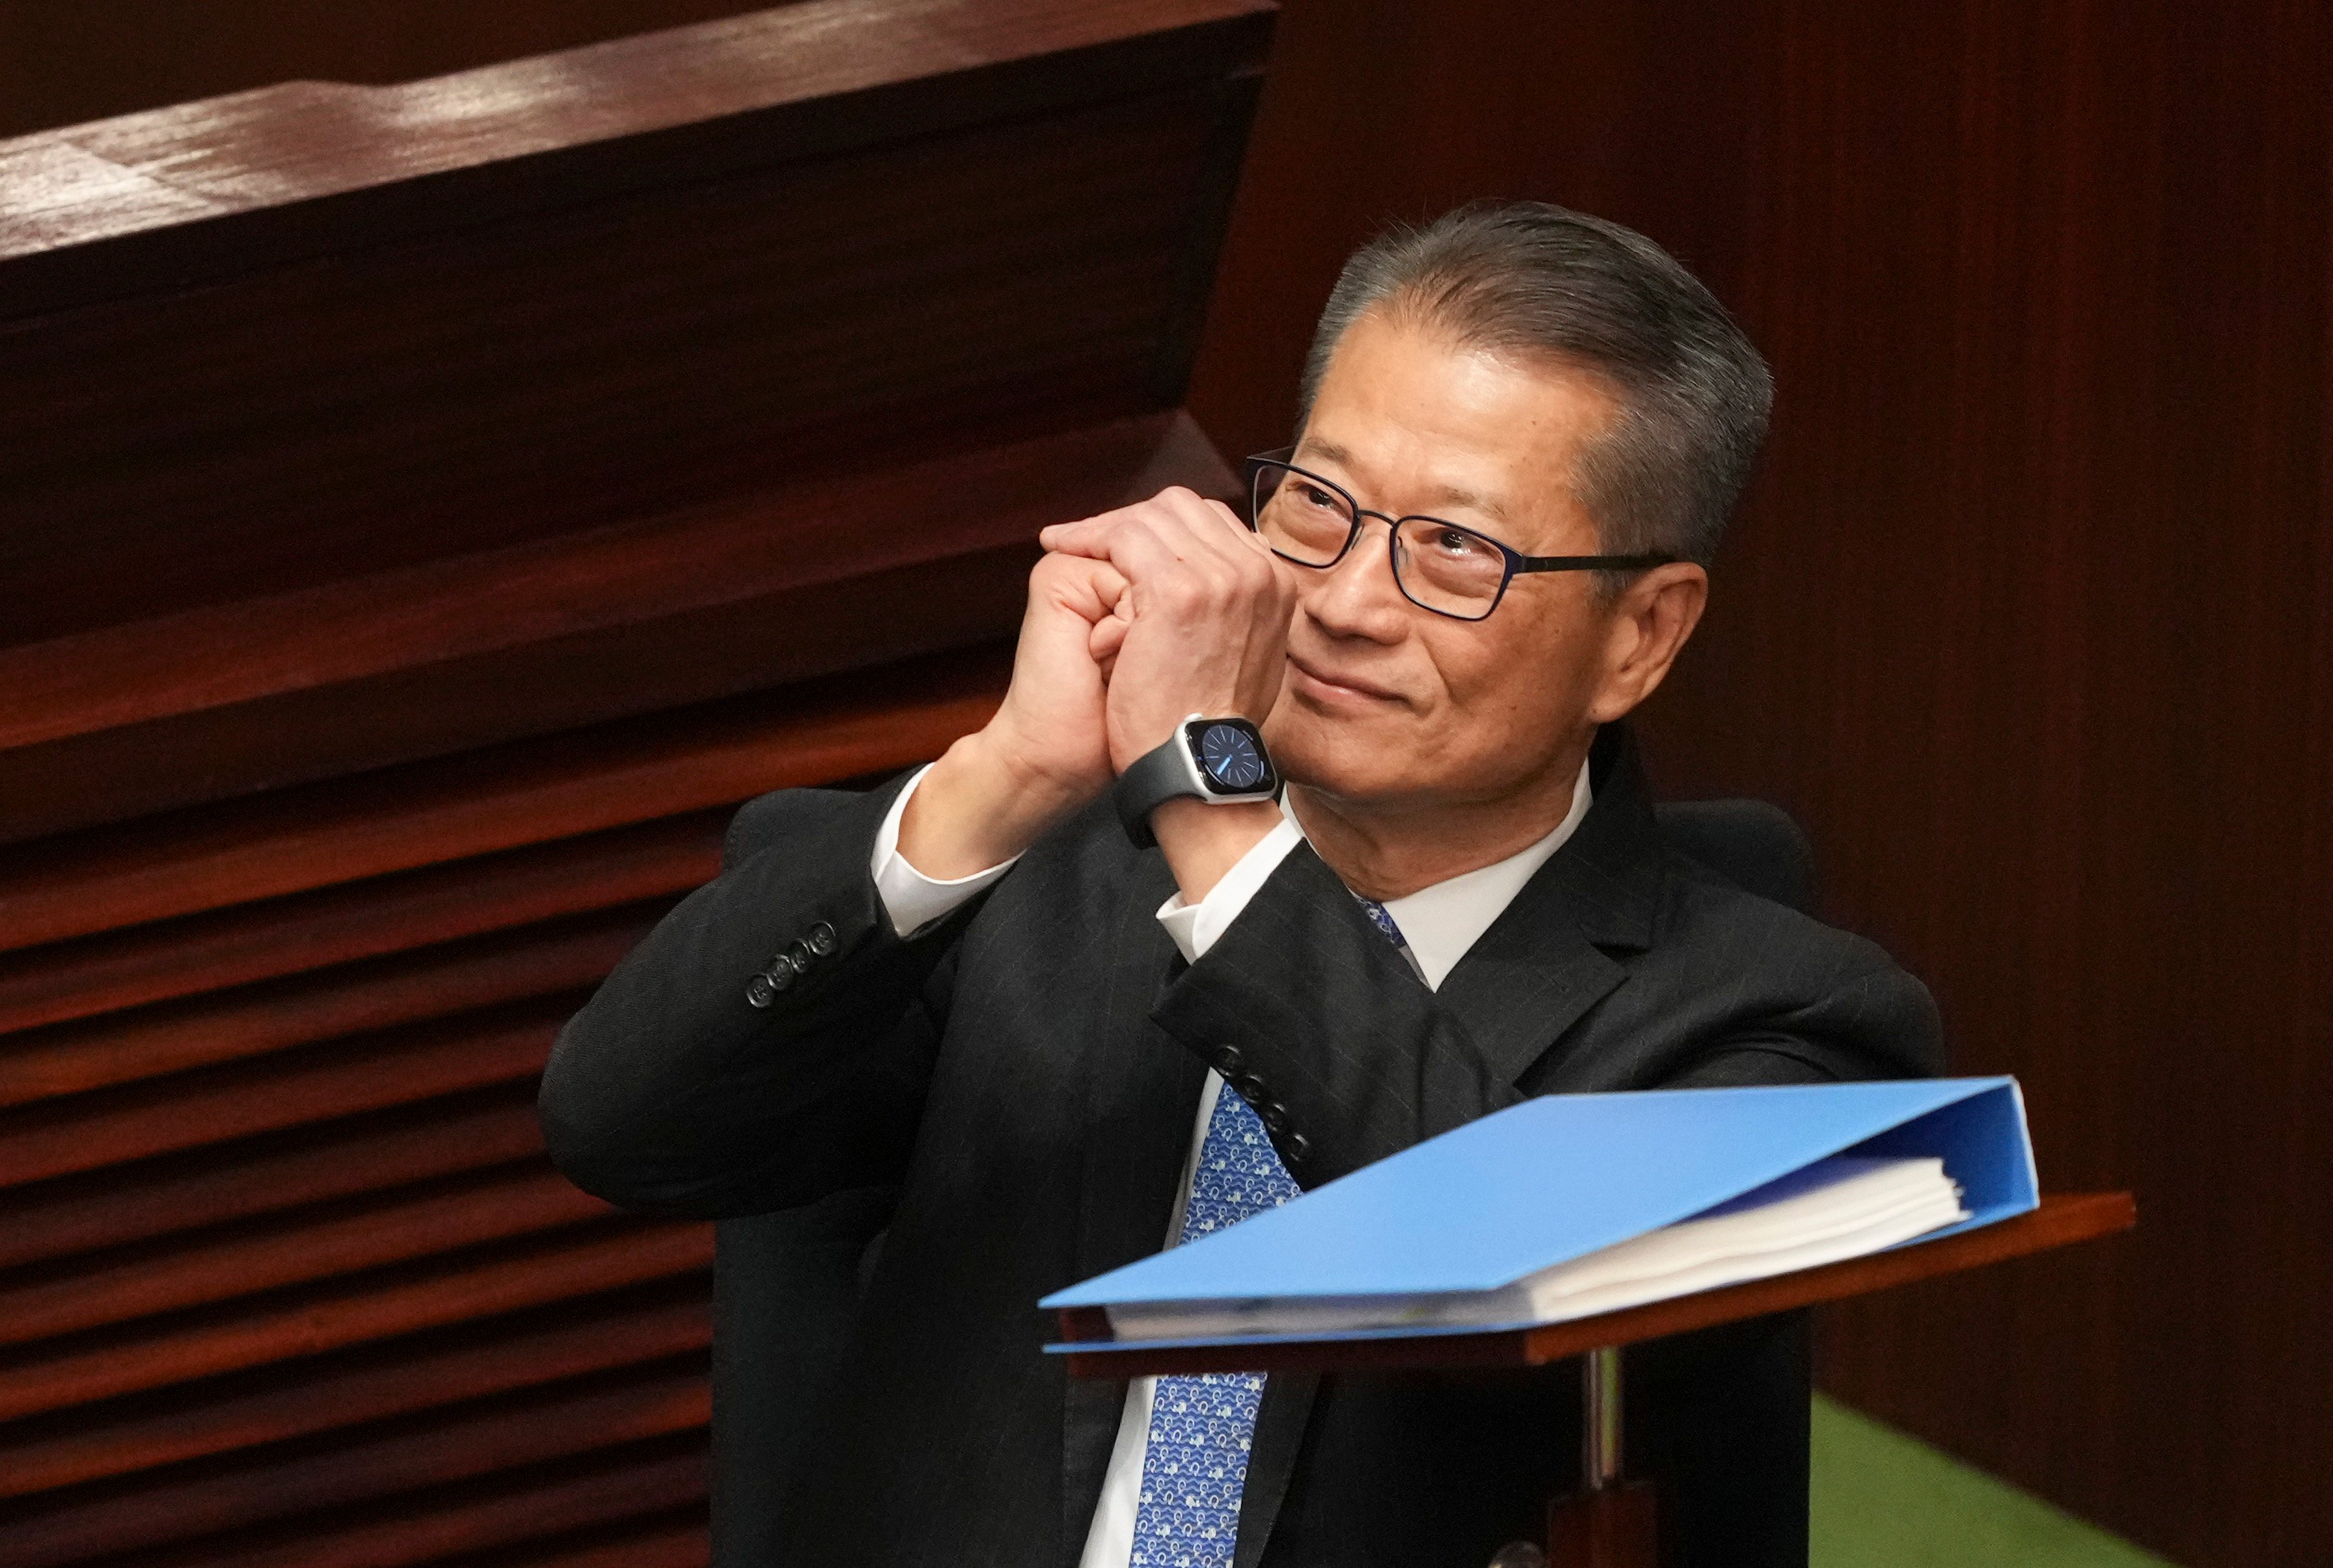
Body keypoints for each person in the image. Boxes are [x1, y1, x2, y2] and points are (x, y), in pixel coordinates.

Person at [539, 201, 1943, 1568]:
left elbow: (1514, 1285)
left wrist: (1215, 820)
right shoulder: (1034, 884)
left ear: (1643, 633)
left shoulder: (1792, 1028)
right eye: (1319, 503)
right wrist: (1012, 772)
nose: (1340, 597)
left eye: (1453, 546)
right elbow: (623, 1123)